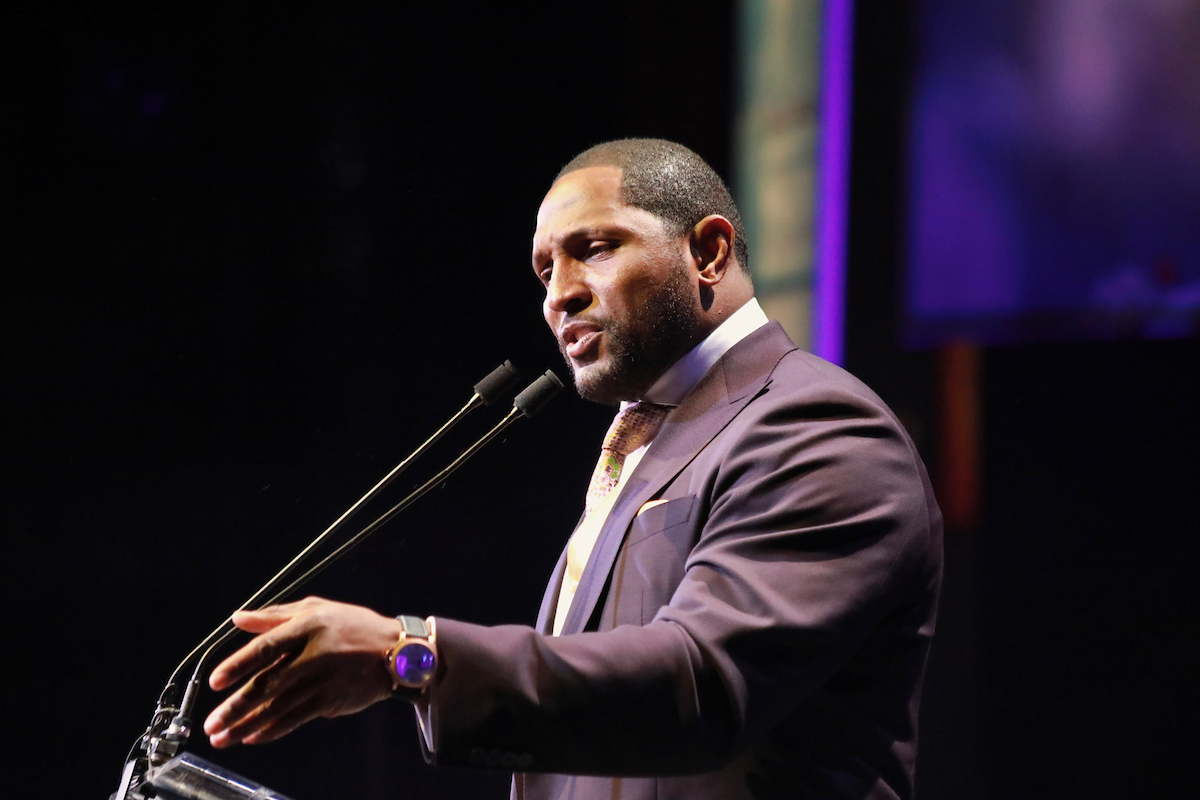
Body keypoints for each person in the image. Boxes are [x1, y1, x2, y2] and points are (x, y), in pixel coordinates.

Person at [203, 139, 943, 800]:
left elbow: (699, 686)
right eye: (544, 268)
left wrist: (412, 655)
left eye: (595, 248)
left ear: (708, 252)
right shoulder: (650, 440)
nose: (559, 294)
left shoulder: (815, 426)